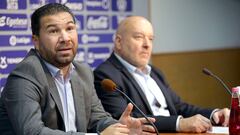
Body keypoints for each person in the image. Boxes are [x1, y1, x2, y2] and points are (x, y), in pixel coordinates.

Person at [0, 4, 156, 135]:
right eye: (54, 31)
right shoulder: (25, 75)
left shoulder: (83, 72)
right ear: (36, 41)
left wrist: (118, 127)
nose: (65, 38)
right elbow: (33, 132)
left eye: (69, 28)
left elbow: (98, 117)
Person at [94, 16, 230, 133]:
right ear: (118, 42)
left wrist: (214, 114)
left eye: (151, 39)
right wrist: (179, 124)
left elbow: (178, 107)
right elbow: (126, 120)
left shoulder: (155, 72)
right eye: (139, 37)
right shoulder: (105, 75)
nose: (147, 45)